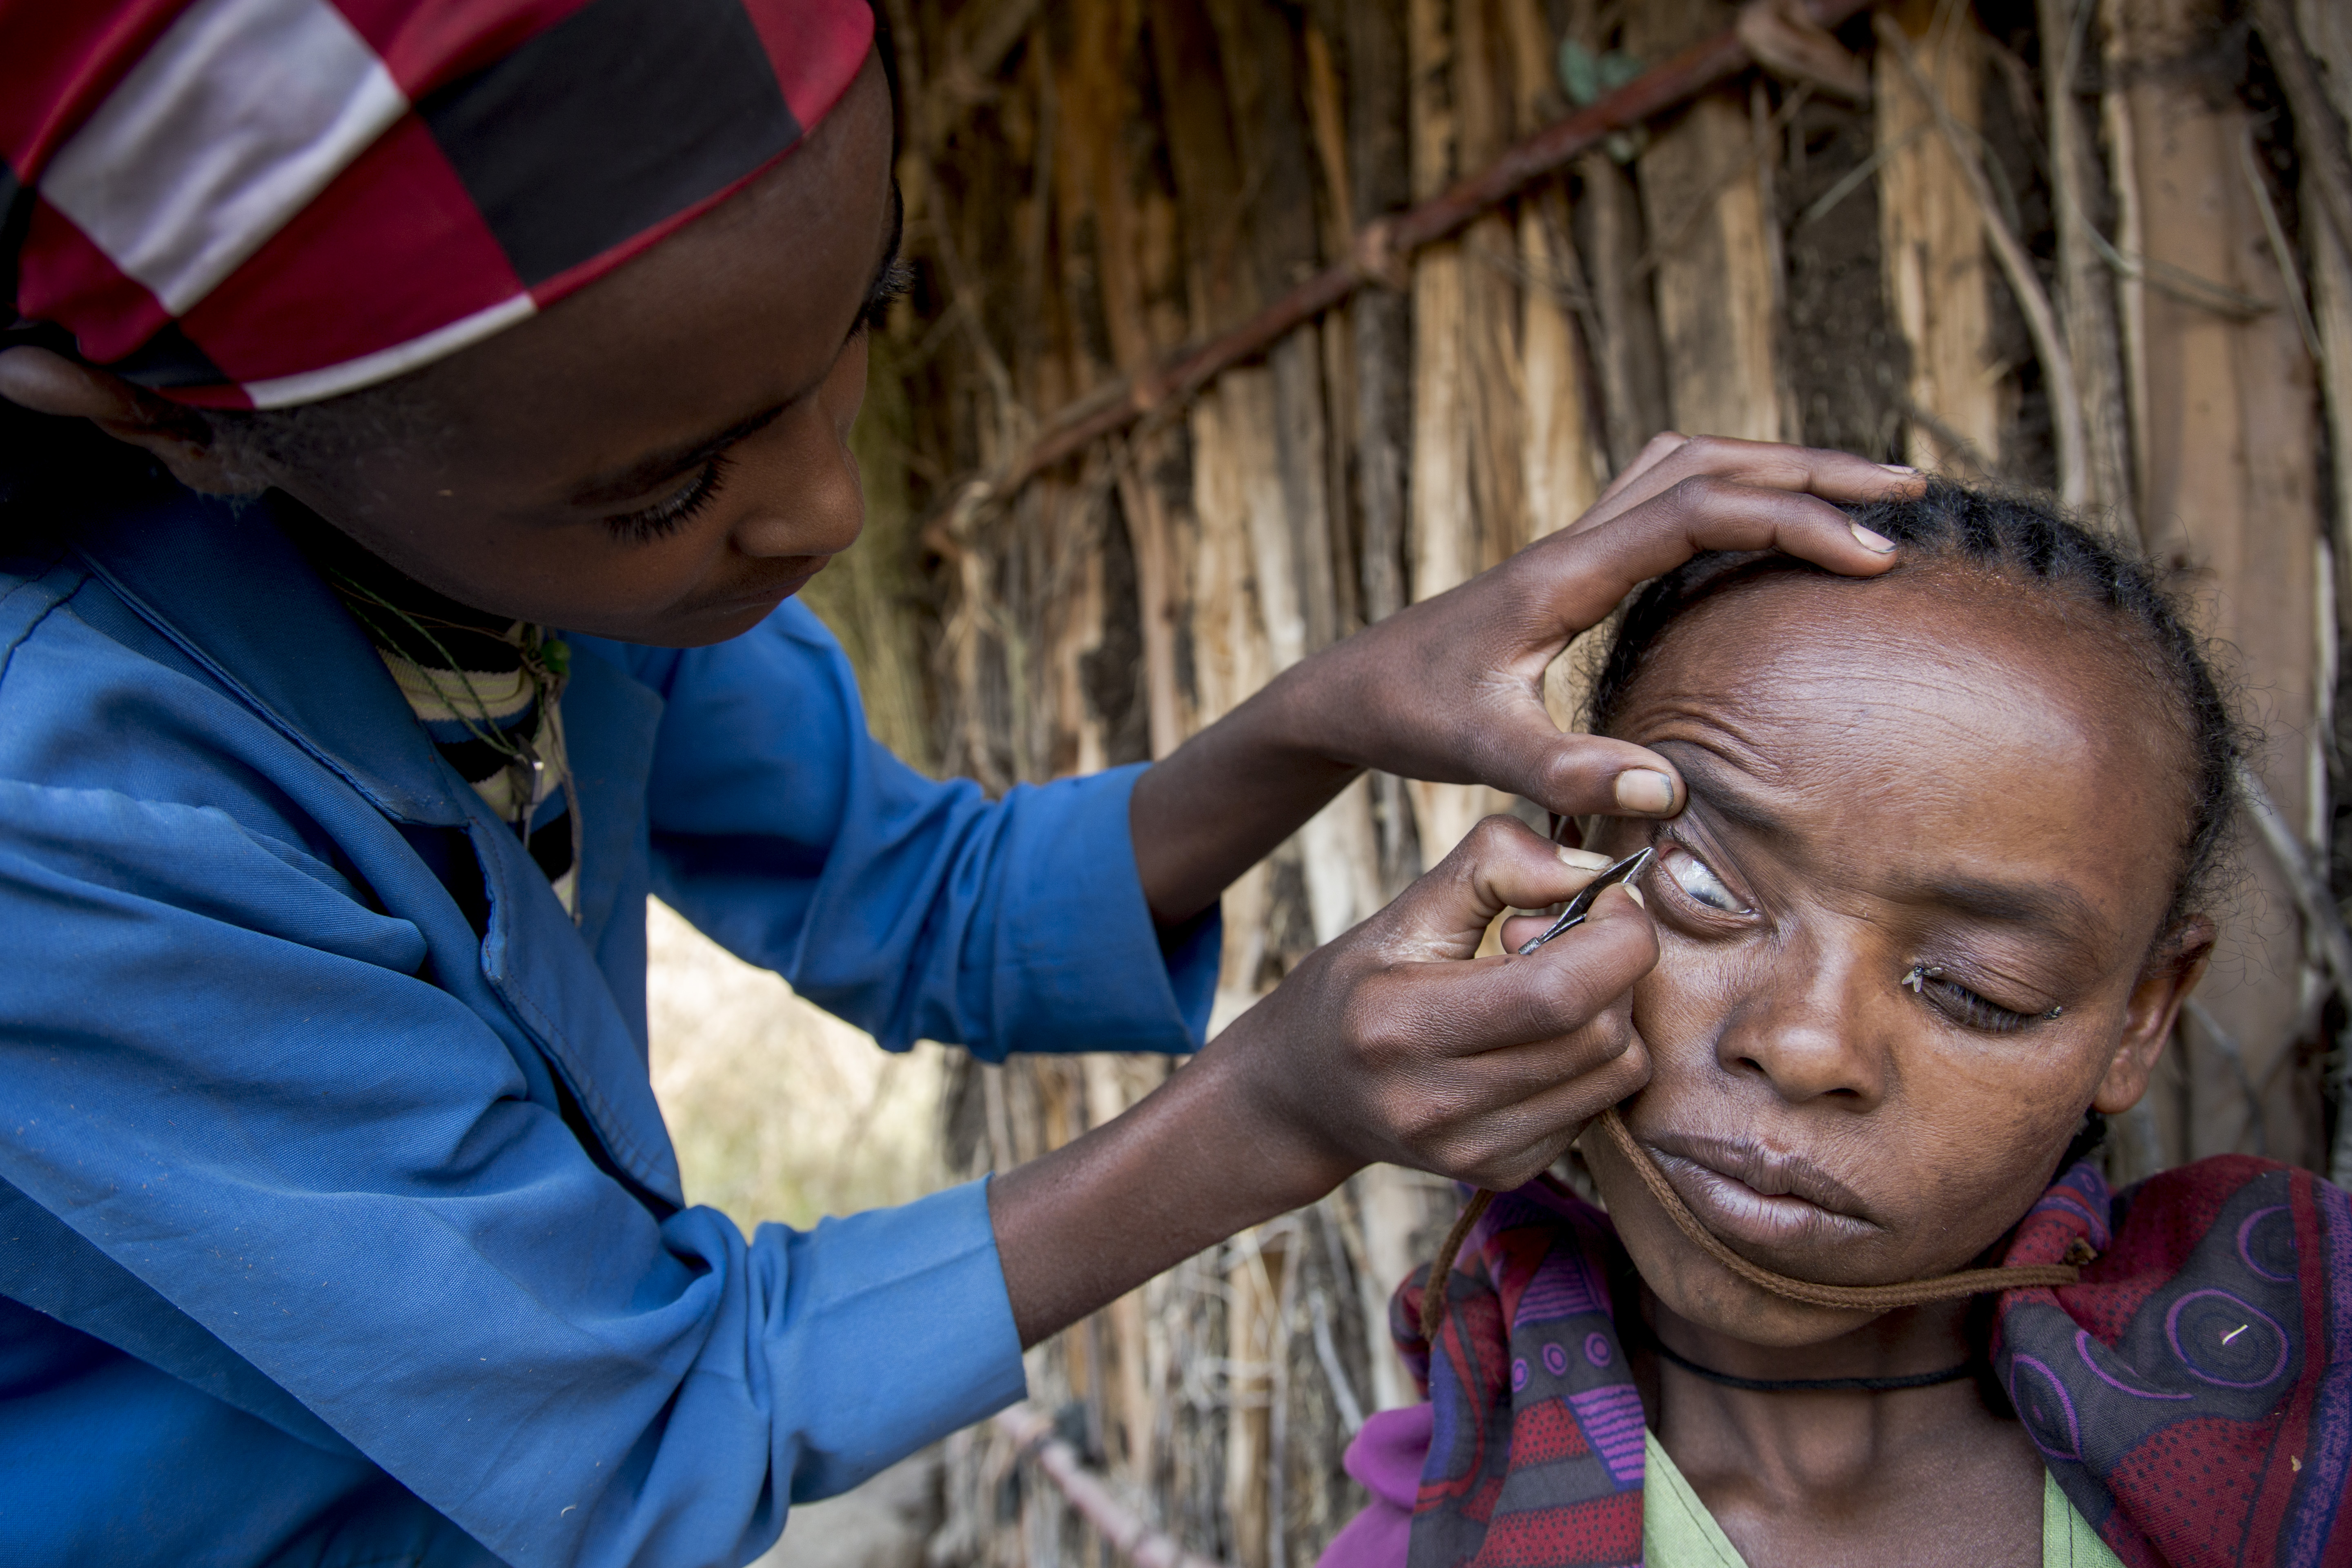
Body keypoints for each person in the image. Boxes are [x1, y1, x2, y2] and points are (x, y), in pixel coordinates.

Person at [0, 2, 1920, 1564]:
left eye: (870, 320)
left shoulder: (532, 531)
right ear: (175, 432)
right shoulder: (57, 816)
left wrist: (1321, 715)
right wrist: (1271, 1103)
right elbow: (640, 1420)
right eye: (669, 482)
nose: (823, 508)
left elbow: (928, 902)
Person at [1319, 483, 2352, 1568]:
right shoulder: (1431, 1537)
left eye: (1977, 986)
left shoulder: (2304, 1446)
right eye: (1707, 892)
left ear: (2140, 1019)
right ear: (1566, 865)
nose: (1808, 1046)